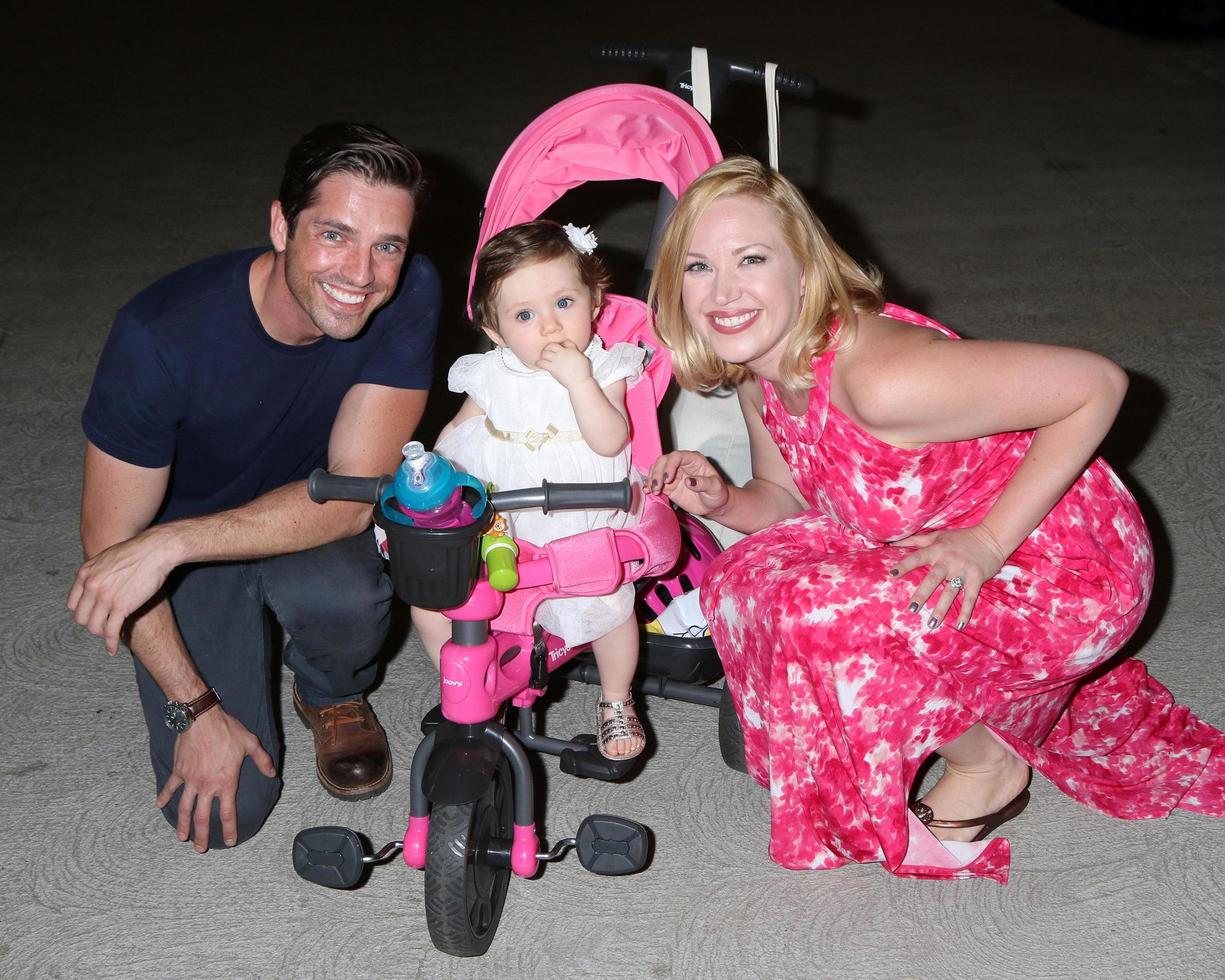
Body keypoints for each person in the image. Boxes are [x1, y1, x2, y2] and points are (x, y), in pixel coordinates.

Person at [645, 155, 1224, 883]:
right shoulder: (763, 374)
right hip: (924, 536)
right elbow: (786, 498)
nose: (722, 291)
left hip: (1062, 565)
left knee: (819, 616)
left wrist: (985, 542)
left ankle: (989, 768)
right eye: (697, 266)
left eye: (750, 259)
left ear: (805, 271)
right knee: (743, 578)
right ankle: (964, 716)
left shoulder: (884, 377)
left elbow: (1097, 386)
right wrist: (723, 500)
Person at [68, 122, 440, 853]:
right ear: (280, 223)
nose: (362, 273)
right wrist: (196, 708)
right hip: (183, 565)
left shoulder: (408, 293)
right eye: (334, 235)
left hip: (291, 523)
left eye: (387, 244)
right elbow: (111, 550)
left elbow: (353, 497)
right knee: (232, 803)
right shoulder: (159, 336)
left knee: (345, 594)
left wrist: (172, 541)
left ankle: (331, 691)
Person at [410, 220, 647, 759]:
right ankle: (476, 680)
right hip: (501, 517)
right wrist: (431, 472)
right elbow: (457, 434)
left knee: (611, 607)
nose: (550, 326)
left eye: (564, 301)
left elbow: (612, 441)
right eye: (524, 315)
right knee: (432, 604)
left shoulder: (605, 365)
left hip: (578, 517)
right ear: (495, 332)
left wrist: (580, 381)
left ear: (595, 301)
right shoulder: (491, 374)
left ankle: (615, 699)